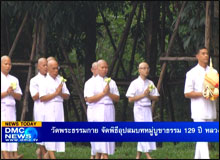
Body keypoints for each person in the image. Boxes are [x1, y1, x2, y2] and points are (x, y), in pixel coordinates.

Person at [184, 47, 218, 159]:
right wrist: (202, 93)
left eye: (207, 53)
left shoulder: (213, 72)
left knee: (203, 139)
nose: (206, 56)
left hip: (211, 109)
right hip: (198, 110)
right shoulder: (191, 73)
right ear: (197, 56)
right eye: (203, 53)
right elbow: (187, 93)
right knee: (203, 138)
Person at [85, 59, 120, 159]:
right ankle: (104, 155)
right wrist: (103, 93)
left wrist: (108, 93)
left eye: (106, 67)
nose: (104, 69)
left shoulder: (111, 82)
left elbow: (117, 98)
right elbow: (89, 99)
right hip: (97, 110)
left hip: (109, 109)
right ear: (97, 68)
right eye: (102, 67)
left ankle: (103, 155)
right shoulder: (90, 82)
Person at [126, 62, 159, 159]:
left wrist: (148, 95)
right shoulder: (134, 83)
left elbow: (156, 97)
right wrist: (143, 95)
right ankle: (148, 156)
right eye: (143, 68)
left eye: (147, 68)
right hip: (139, 109)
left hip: (147, 109)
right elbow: (130, 99)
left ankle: (138, 156)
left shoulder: (150, 83)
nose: (146, 70)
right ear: (139, 70)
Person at [39, 59, 70, 159]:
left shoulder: (60, 79)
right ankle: (52, 157)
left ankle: (46, 155)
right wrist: (55, 93)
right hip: (48, 109)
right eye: (54, 68)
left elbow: (67, 95)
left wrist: (60, 93)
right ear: (47, 69)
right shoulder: (44, 81)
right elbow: (42, 98)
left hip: (59, 108)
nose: (56, 70)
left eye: (57, 68)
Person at [1, 55, 23, 159]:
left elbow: (19, 96)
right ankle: (6, 156)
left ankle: (12, 155)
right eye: (6, 64)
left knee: (12, 132)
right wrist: (6, 92)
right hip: (2, 108)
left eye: (10, 64)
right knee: (3, 132)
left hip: (11, 109)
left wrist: (12, 93)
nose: (8, 66)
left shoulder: (14, 79)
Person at [29, 57, 48, 159]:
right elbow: (34, 96)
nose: (46, 67)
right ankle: (45, 153)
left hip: (50, 108)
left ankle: (40, 153)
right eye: (44, 65)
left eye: (47, 65)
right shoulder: (34, 80)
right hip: (40, 108)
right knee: (40, 132)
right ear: (38, 67)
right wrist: (45, 90)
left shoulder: (51, 78)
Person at [84, 62, 98, 159]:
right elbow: (88, 98)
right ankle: (93, 154)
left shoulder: (107, 81)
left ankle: (99, 154)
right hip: (93, 109)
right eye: (96, 68)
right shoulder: (89, 83)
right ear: (92, 70)